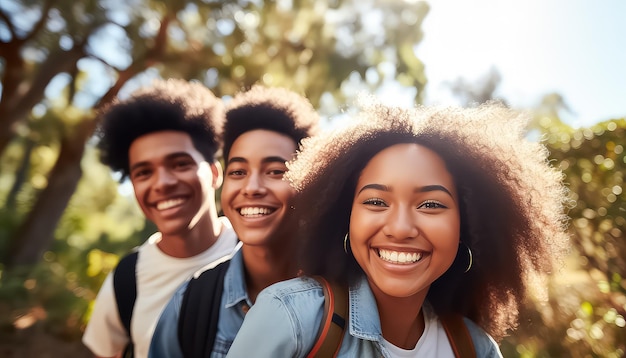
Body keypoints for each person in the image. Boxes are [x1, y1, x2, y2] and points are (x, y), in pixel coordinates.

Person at [226, 100, 570, 357]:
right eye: (376, 202)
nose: (401, 228)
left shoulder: (476, 349)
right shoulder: (292, 318)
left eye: (431, 205)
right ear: (343, 217)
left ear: (468, 226)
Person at [149, 85, 320, 357]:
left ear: (309, 183)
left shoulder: (344, 297)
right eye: (238, 171)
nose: (251, 188)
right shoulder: (191, 303)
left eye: (275, 171)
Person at [82, 78, 238, 358]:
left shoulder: (258, 253)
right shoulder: (127, 279)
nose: (162, 183)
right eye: (143, 172)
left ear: (215, 173)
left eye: (180, 164)